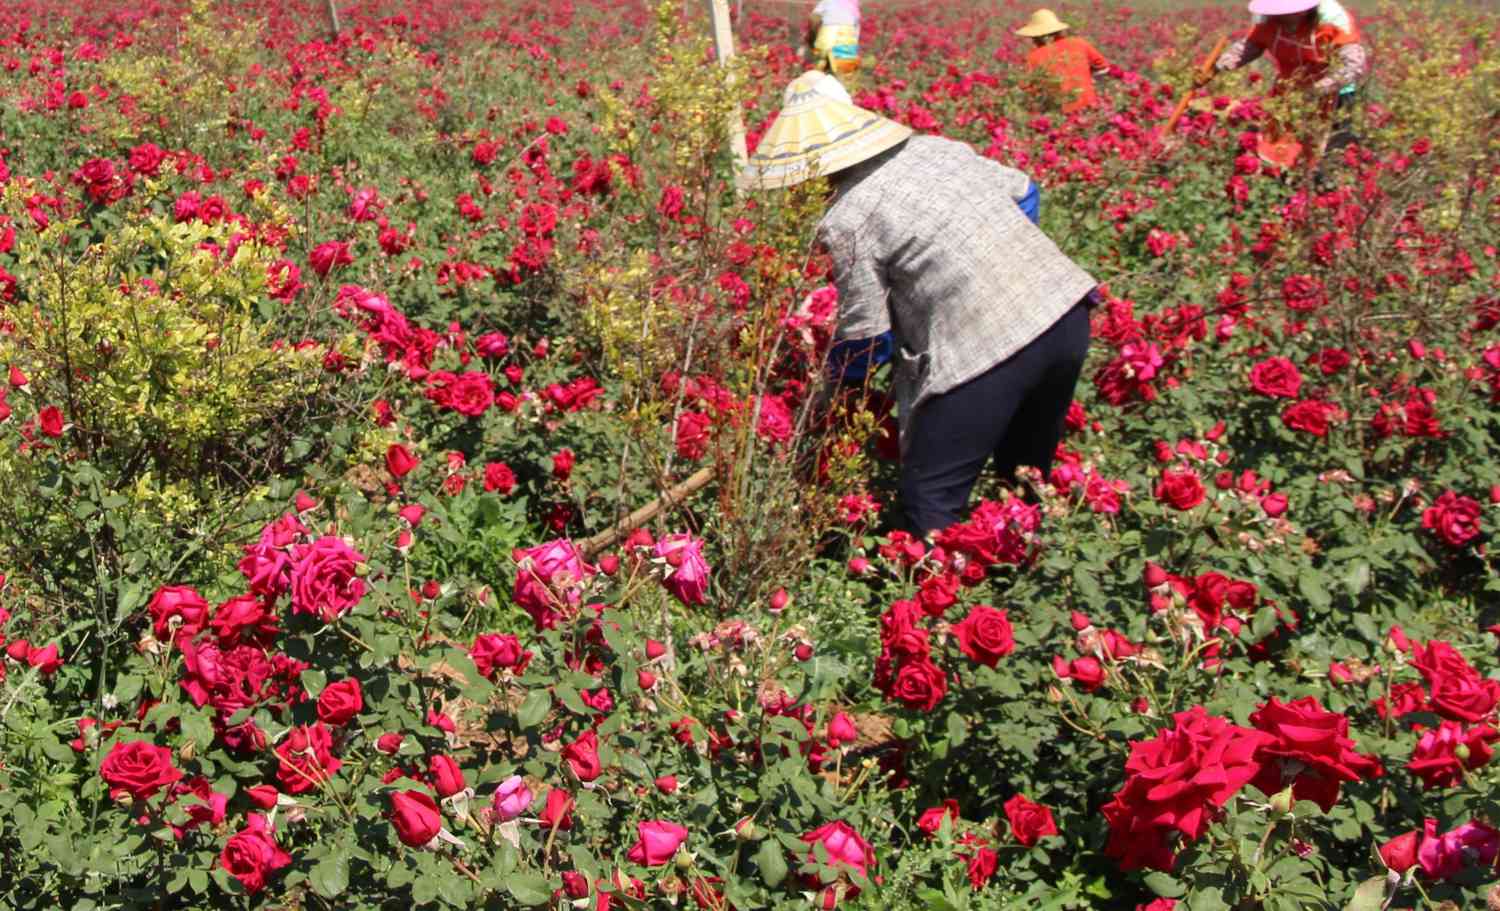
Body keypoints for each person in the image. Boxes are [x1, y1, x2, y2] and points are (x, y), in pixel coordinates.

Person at [741, 72, 1098, 535]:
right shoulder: (935, 148)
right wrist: (993, 258)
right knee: (1024, 477)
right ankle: (1029, 577)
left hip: (985, 348)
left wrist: (830, 401)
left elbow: (868, 340)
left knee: (930, 502)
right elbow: (1026, 191)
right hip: (1064, 313)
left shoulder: (846, 217)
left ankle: (944, 595)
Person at [1211, 0, 1368, 156]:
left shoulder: (1333, 19)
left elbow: (1353, 64)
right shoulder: (1268, 19)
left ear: (1303, 11)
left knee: (1327, 151)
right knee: (1278, 146)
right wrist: (1221, 64)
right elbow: (1252, 45)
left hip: (1334, 94)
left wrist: (1319, 88)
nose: (1279, 17)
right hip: (1290, 89)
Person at [1015, 9, 1112, 113]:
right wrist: (1087, 77)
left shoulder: (1033, 57)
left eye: (1033, 37)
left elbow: (1026, 89)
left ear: (1039, 36)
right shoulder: (1079, 43)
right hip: (1089, 108)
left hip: (1058, 113)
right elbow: (1104, 68)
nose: (1033, 41)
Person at [805, 0, 861, 77]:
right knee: (845, 72)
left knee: (820, 68)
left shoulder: (826, 1)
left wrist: (812, 38)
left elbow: (814, 18)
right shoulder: (854, 4)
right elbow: (856, 26)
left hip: (828, 35)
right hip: (847, 38)